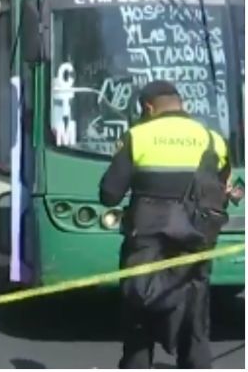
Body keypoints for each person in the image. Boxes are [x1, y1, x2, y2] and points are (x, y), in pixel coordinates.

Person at [99, 80, 242, 369]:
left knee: (139, 322)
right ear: (181, 105)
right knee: (196, 322)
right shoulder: (212, 139)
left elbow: (109, 194)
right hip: (195, 245)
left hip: (146, 245)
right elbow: (223, 190)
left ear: (149, 109)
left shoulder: (137, 136)